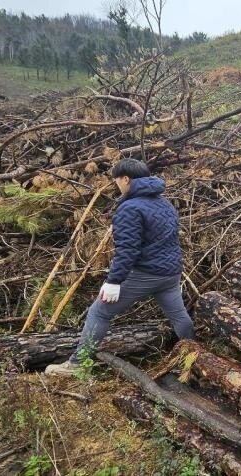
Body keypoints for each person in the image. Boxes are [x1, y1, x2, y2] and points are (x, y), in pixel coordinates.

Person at [45, 158, 193, 375]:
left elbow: (128, 250)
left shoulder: (130, 208)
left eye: (117, 181)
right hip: (170, 273)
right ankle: (195, 357)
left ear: (126, 179)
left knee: (99, 311)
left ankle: (78, 365)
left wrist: (113, 281)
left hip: (145, 274)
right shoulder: (164, 203)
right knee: (180, 317)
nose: (117, 185)